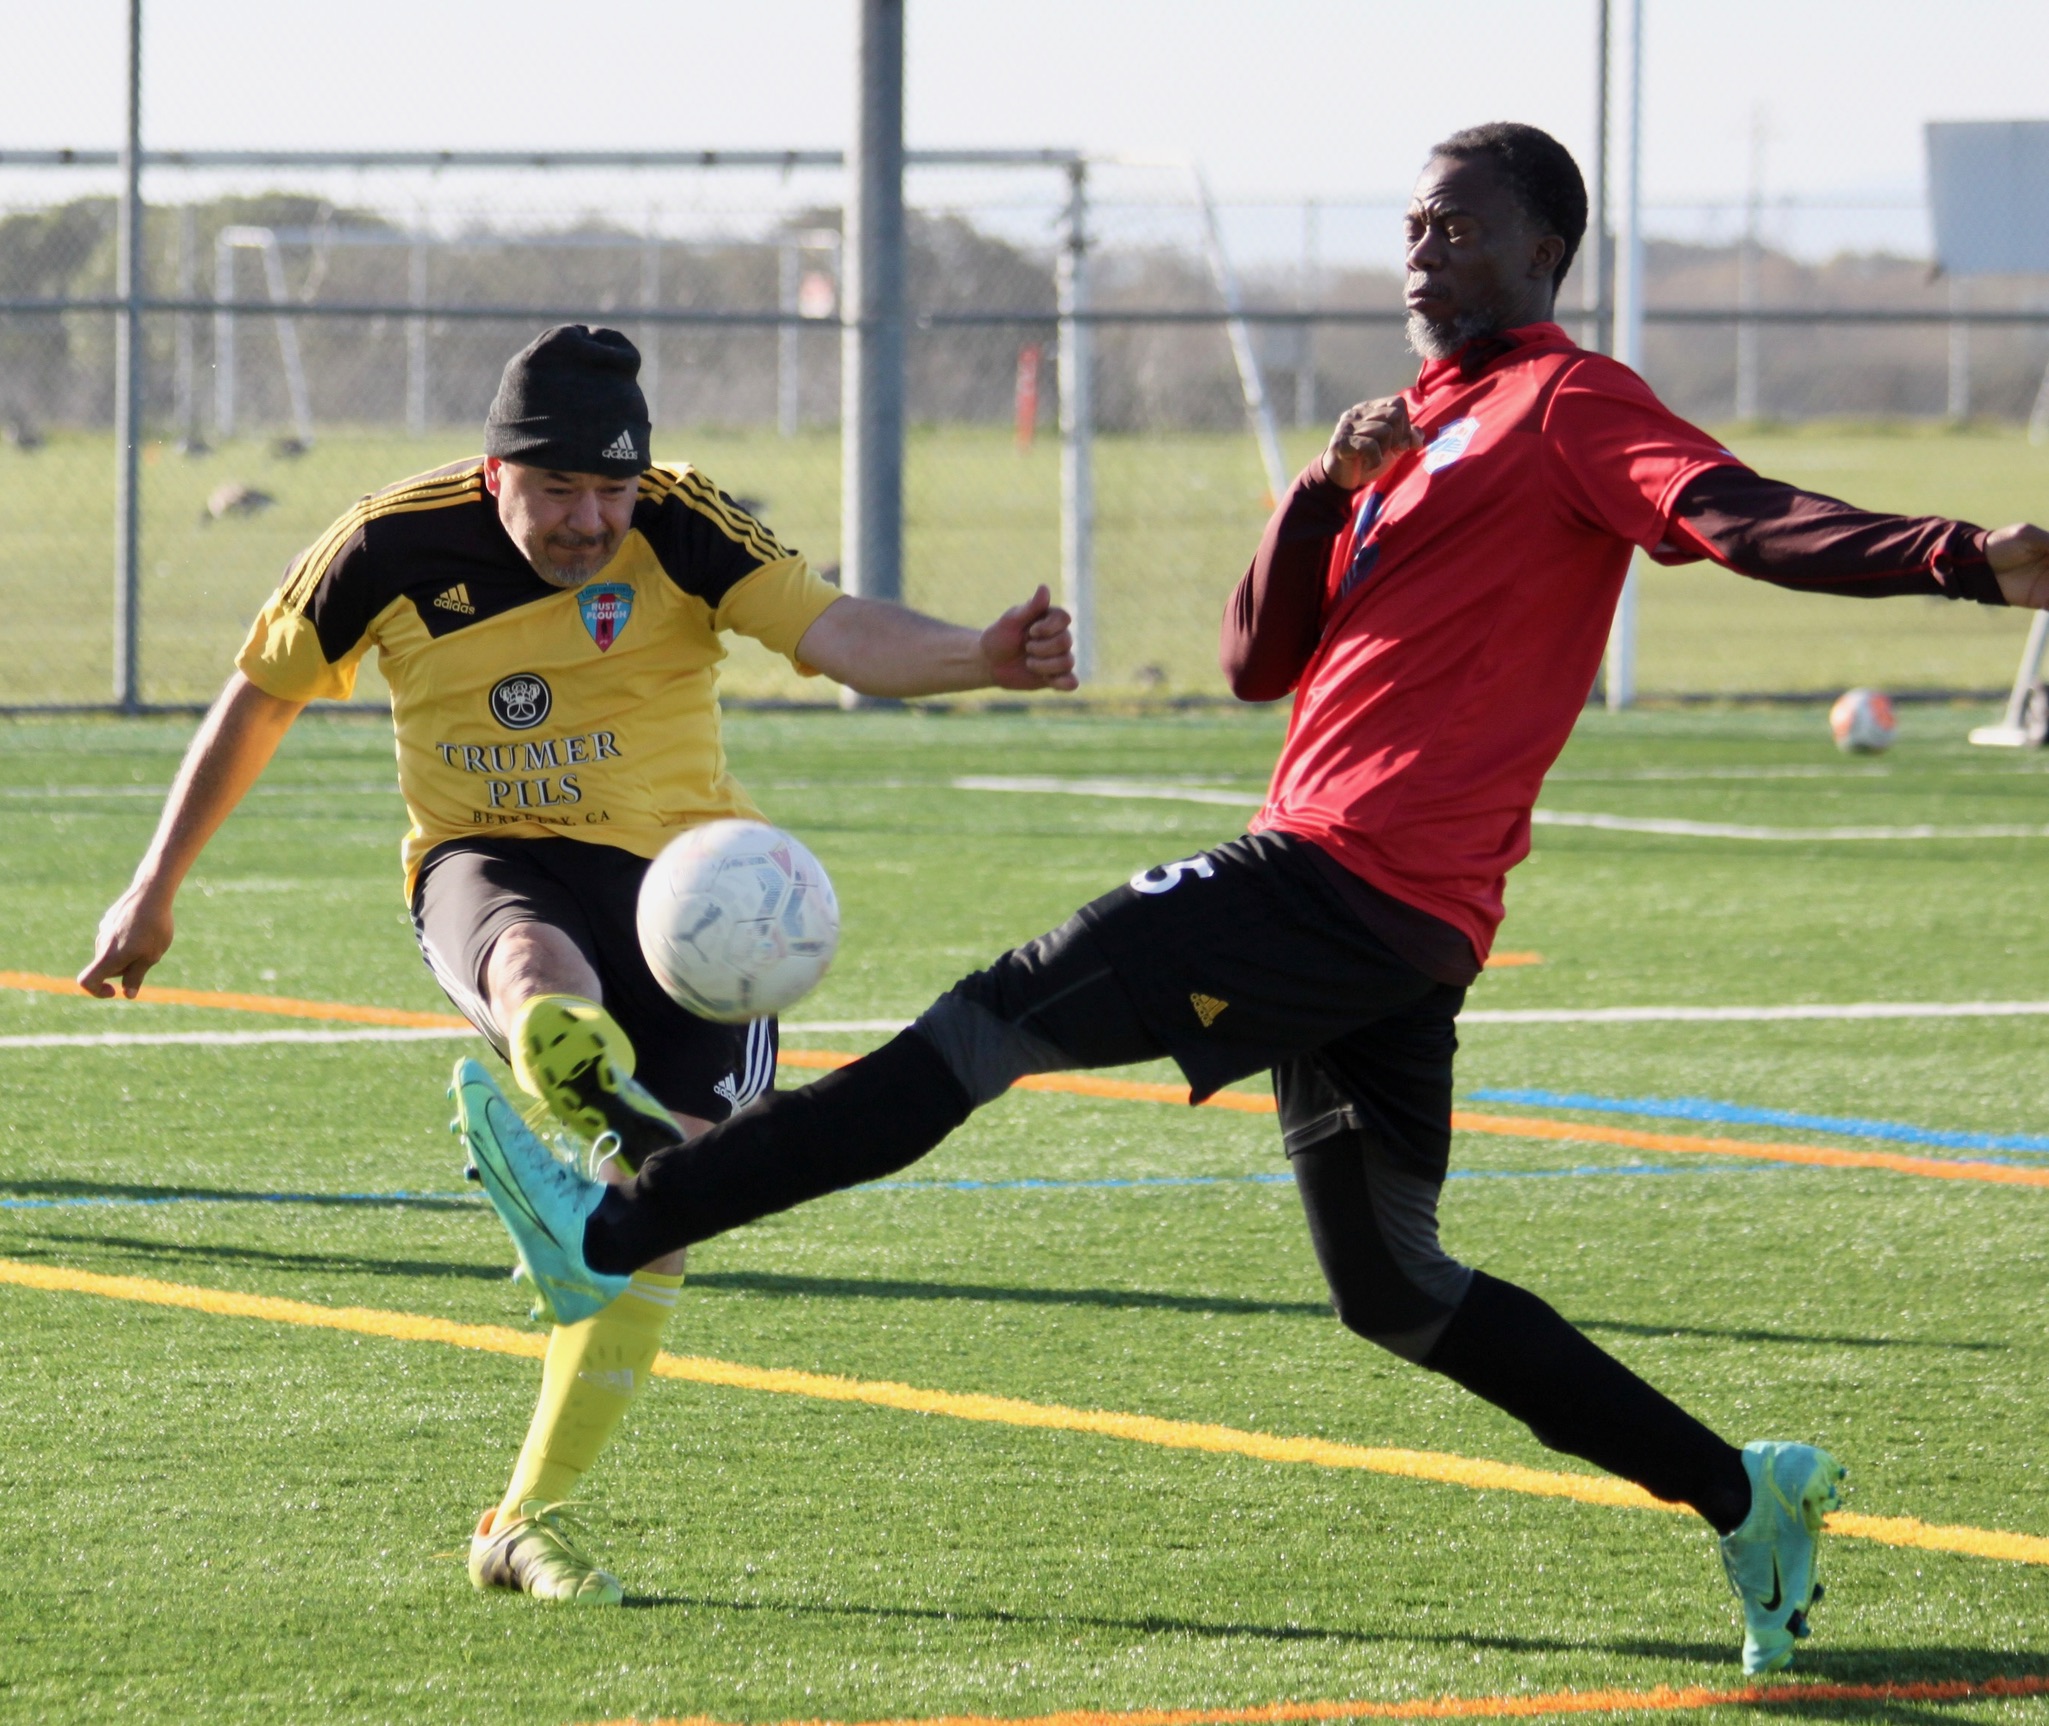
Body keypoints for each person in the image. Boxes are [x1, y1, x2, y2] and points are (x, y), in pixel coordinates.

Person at [455, 126, 2049, 1676]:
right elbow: (1256, 660)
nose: (1425, 244)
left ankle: (622, 1220)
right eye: (1415, 220)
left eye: (1464, 222)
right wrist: (1315, 489)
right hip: (1388, 919)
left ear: (1546, 250)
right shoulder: (1413, 429)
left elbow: (1736, 514)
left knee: (990, 1021)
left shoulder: (1572, 405)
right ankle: (1742, 1494)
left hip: (1339, 879)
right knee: (1397, 1290)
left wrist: (1966, 559)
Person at [77, 323, 1077, 1607]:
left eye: (611, 491)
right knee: (536, 973)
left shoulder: (684, 521)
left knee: (670, 1217)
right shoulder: (388, 540)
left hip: (685, 898)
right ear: (497, 475)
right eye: (559, 492)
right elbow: (261, 693)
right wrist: (154, 888)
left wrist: (981, 659)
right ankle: (571, 1115)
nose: (590, 520)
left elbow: (828, 630)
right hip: (483, 856)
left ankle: (524, 1512)